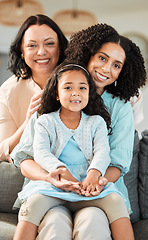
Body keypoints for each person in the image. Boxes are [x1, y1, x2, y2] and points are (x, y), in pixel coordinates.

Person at [11, 23, 146, 239]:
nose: (106, 69)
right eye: (102, 58)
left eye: (116, 65)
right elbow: (26, 158)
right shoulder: (52, 98)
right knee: (54, 224)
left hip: (97, 191)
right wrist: (53, 178)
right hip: (51, 188)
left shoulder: (117, 108)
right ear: (88, 55)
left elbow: (117, 163)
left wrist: (94, 182)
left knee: (93, 222)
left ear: (122, 72)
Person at [0, 14, 68, 163]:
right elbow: (3, 149)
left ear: (60, 47)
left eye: (49, 44)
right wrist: (28, 122)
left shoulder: (79, 81)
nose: (41, 52)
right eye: (32, 45)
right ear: (22, 51)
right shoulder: (8, 92)